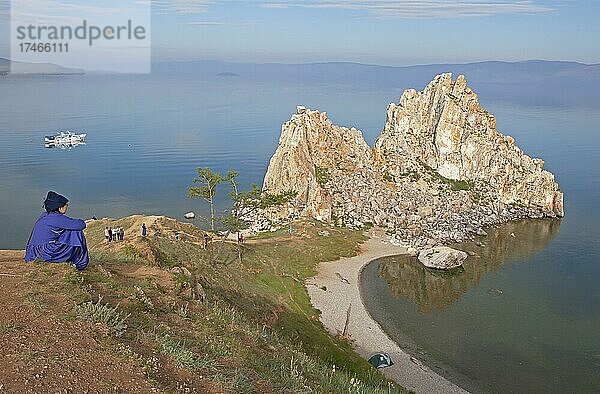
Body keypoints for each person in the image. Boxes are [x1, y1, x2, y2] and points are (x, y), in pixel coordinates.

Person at [25, 191, 89, 270]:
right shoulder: (56, 218)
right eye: (66, 205)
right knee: (76, 232)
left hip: (33, 252)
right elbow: (81, 225)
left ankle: (73, 260)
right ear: (60, 207)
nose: (67, 206)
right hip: (44, 252)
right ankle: (80, 263)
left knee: (68, 230)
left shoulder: (45, 215)